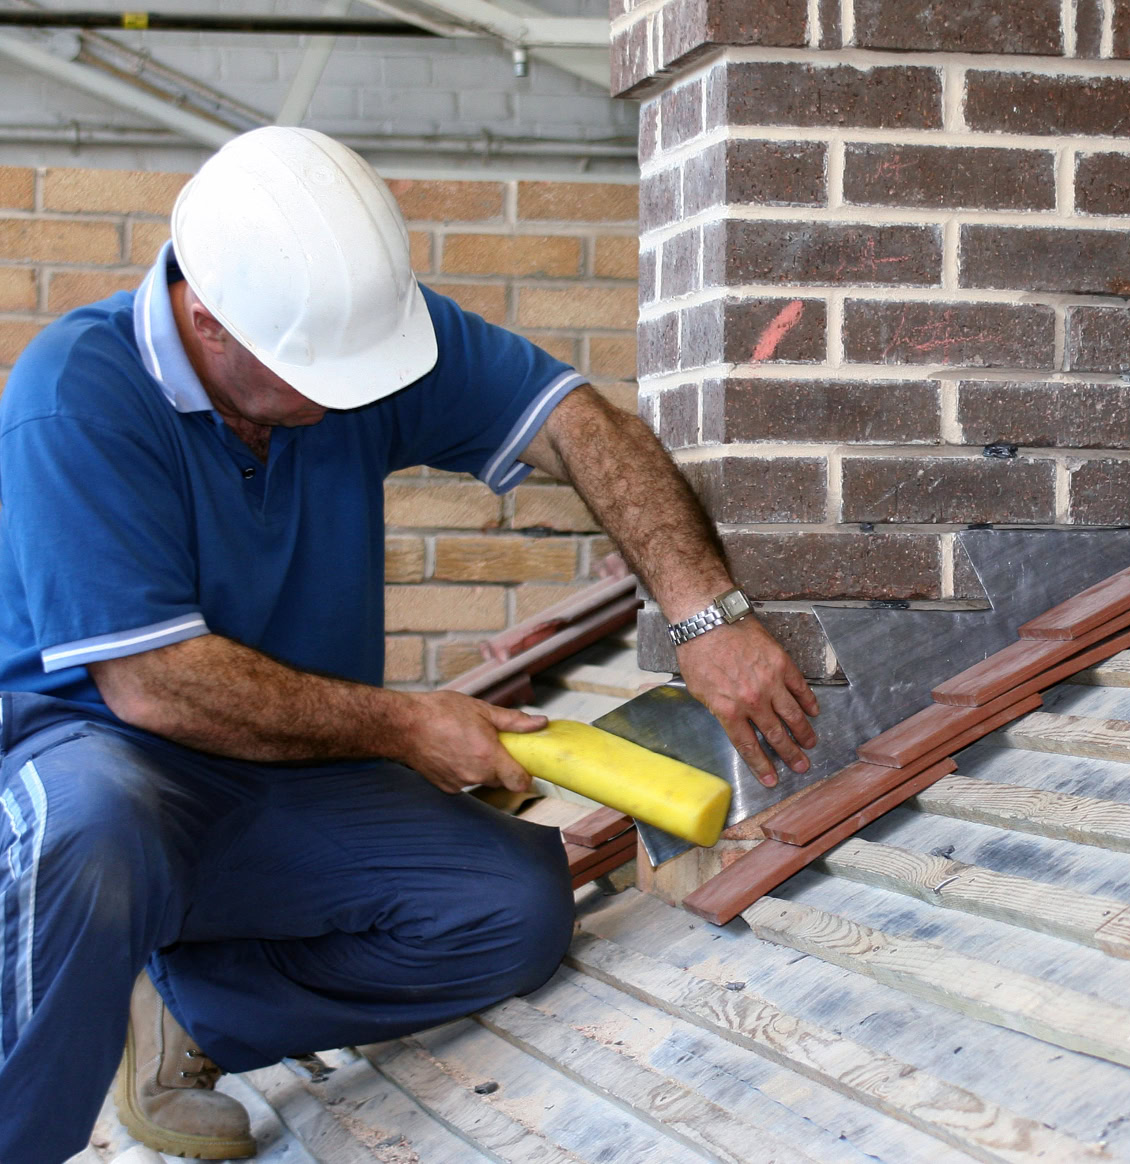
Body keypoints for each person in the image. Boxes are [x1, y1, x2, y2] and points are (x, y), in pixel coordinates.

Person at [0, 126, 818, 1162]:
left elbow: (577, 422)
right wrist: (404, 725)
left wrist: (705, 613)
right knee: (92, 832)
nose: (350, 402)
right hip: (95, 759)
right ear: (208, 321)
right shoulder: (76, 394)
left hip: (284, 764)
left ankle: (193, 1008)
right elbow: (156, 688)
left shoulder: (354, 343)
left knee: (510, 911)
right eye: (317, 381)